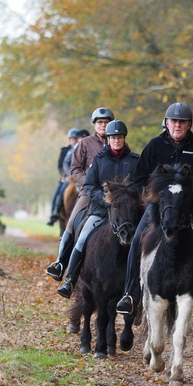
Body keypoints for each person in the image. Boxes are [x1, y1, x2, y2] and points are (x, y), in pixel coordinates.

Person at [116, 103, 193, 317]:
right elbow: (139, 178)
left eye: (182, 122)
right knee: (137, 240)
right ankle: (130, 295)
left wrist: (186, 196)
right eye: (173, 121)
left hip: (191, 208)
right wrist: (154, 197)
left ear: (189, 125)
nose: (177, 125)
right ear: (166, 123)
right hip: (158, 208)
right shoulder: (155, 146)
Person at [56, 120, 139, 298]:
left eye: (120, 137)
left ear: (124, 138)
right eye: (113, 137)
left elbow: (141, 184)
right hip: (101, 210)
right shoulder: (99, 160)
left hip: (128, 213)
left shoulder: (134, 161)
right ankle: (70, 280)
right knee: (82, 239)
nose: (116, 140)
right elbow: (89, 184)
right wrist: (104, 199)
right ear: (108, 139)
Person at [46, 107, 114, 282]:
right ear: (94, 124)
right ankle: (61, 263)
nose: (103, 125)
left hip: (113, 193)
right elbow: (75, 168)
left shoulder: (117, 140)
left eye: (106, 122)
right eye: (100, 122)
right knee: (73, 222)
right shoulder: (85, 143)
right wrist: (88, 183)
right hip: (88, 192)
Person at [46, 128, 80, 226]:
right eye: (72, 139)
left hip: (80, 177)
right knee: (59, 193)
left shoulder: (82, 149)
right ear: (69, 140)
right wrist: (68, 175)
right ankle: (54, 213)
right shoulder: (65, 151)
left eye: (76, 139)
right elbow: (61, 165)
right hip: (67, 178)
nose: (74, 141)